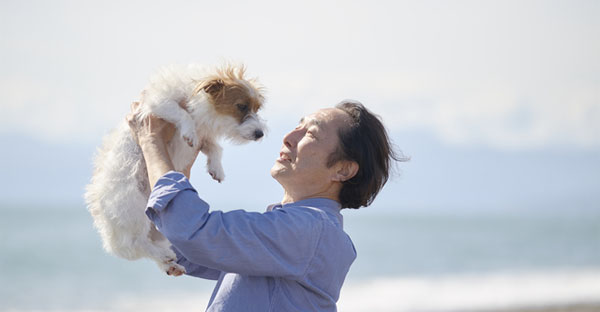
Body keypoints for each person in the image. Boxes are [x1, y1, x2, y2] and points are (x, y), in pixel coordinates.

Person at [127, 100, 402, 311]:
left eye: (312, 134)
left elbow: (194, 232)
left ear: (342, 170)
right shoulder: (298, 231)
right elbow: (181, 246)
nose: (290, 136)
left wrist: (152, 140)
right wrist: (183, 155)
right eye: (298, 125)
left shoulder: (312, 230)